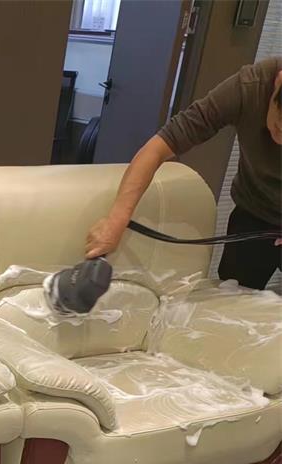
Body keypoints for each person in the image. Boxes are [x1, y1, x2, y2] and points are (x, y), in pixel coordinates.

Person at [85, 57, 282, 290]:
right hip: (255, 212)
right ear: (278, 82)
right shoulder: (249, 87)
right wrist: (117, 219)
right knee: (234, 295)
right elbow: (157, 148)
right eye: (279, 127)